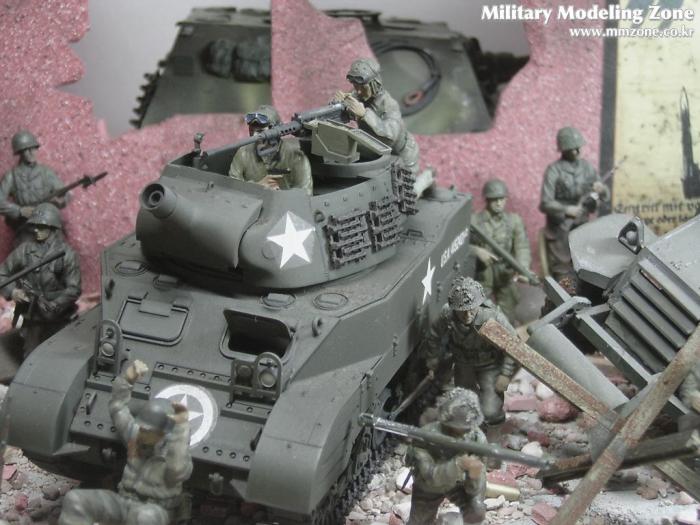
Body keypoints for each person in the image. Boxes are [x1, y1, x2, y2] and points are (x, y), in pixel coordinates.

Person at [59, 360, 192, 525]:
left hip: (155, 511)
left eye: (148, 431)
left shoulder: (174, 454)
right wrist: (126, 380)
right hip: (123, 502)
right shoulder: (135, 435)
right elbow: (117, 407)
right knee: (75, 499)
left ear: (162, 433)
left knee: (144, 519)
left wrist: (181, 427)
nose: (142, 433)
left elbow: (177, 470)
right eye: (141, 427)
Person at [425, 276, 518, 426]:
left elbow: (513, 344)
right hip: (463, 363)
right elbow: (434, 335)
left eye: (471, 310)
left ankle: (493, 426)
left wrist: (505, 374)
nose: (467, 316)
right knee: (464, 406)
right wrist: (432, 359)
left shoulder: (492, 316)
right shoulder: (448, 315)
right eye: (462, 311)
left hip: (489, 364)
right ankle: (471, 430)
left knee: (491, 412)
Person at [0, 203, 80, 357]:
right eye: (35, 226)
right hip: (33, 316)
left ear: (53, 228)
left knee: (64, 357)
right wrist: (13, 292)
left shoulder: (67, 254)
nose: (36, 230)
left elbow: (74, 288)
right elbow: (2, 274)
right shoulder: (24, 250)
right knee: (31, 356)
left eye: (41, 227)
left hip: (60, 317)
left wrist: (55, 304)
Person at [407, 388, 487, 525]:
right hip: (428, 488)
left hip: (458, 485)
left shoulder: (477, 439)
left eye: (468, 428)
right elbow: (429, 477)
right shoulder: (426, 436)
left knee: (476, 510)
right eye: (458, 429)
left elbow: (475, 490)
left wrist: (474, 477)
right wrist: (458, 464)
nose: (465, 434)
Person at [539, 127, 609, 281]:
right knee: (563, 272)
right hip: (560, 228)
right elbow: (545, 203)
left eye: (579, 147)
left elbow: (605, 195)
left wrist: (602, 189)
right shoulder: (554, 170)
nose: (577, 151)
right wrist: (566, 209)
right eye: (572, 148)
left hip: (583, 225)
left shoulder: (587, 167)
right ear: (564, 149)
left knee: (589, 265)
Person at [334, 58, 420, 175]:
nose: (358, 91)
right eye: (355, 86)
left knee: (408, 183)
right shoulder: (359, 95)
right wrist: (338, 104)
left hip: (401, 153)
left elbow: (392, 135)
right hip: (376, 148)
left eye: (363, 87)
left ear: (374, 84)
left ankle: (426, 178)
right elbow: (346, 114)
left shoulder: (389, 104)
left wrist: (365, 114)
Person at [471, 178, 531, 322]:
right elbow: (459, 245)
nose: (498, 203)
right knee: (477, 313)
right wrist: (476, 251)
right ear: (487, 200)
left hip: (505, 272)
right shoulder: (474, 221)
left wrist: (522, 268)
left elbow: (522, 247)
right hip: (482, 273)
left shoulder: (514, 221)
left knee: (508, 314)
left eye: (501, 199)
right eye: (494, 199)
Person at [228, 105, 313, 194]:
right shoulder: (243, 153)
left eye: (260, 132)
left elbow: (306, 193)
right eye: (251, 131)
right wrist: (257, 187)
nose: (254, 137)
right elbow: (232, 190)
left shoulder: (296, 157)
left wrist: (278, 195)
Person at [0, 131, 66, 244]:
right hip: (26, 227)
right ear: (20, 152)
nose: (31, 153)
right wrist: (19, 211)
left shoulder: (46, 172)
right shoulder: (11, 176)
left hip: (48, 224)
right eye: (26, 150)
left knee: (60, 249)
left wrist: (61, 200)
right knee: (24, 250)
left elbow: (64, 193)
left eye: (33, 148)